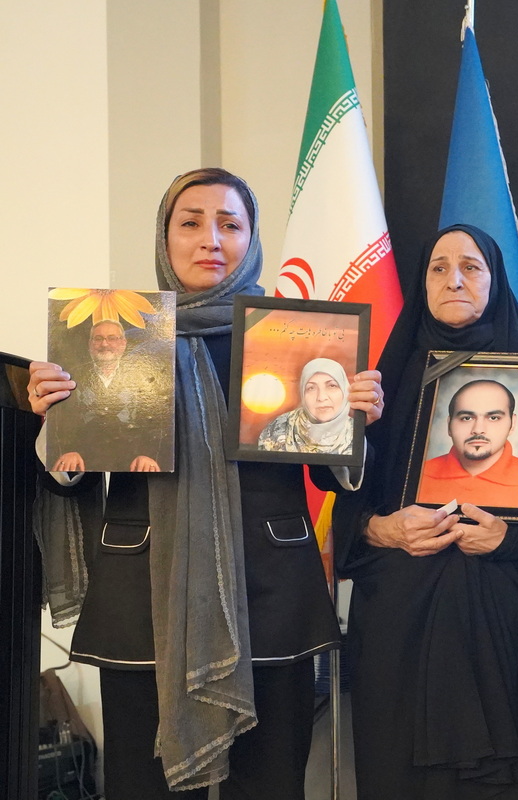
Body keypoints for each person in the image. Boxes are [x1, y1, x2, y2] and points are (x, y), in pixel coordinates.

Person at [29, 168, 384, 798]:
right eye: (190, 223)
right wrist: (56, 424)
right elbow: (70, 479)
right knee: (145, 785)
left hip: (271, 596)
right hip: (144, 600)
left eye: (230, 224)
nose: (210, 240)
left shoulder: (294, 338)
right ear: (163, 238)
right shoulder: (114, 340)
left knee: (270, 784)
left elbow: (333, 475)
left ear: (252, 238)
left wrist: (351, 424)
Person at [332, 223, 518, 800]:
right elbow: (348, 507)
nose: (454, 279)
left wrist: (508, 540)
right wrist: (381, 528)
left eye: (471, 267)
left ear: (495, 282)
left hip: (505, 627)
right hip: (400, 625)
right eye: (438, 267)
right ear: (421, 283)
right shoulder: (381, 384)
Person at [47, 319, 170, 472]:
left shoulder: (145, 379)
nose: (105, 344)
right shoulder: (70, 377)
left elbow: (156, 422)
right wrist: (66, 451)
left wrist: (148, 455)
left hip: (133, 466)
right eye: (98, 338)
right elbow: (60, 420)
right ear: (90, 344)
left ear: (123, 343)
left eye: (112, 338)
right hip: (80, 466)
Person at [415, 378, 518, 507]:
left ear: (513, 424)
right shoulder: (416, 476)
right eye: (466, 418)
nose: (478, 430)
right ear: (449, 425)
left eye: (493, 418)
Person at [258, 356, 355, 454]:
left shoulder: (358, 432)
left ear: (345, 390)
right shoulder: (280, 427)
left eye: (332, 386)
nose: (321, 397)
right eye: (311, 388)